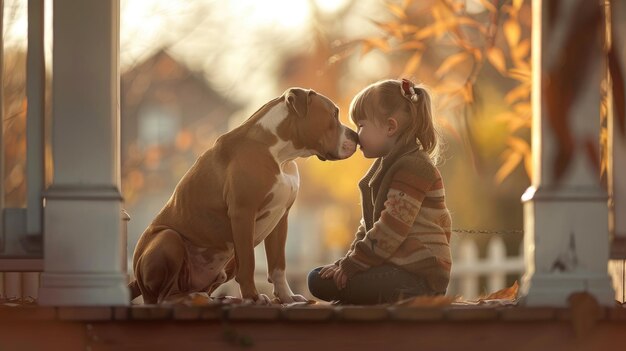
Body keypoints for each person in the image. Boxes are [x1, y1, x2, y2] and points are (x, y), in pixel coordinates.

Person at [307, 78, 451, 305]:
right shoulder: (387, 166)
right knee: (318, 278)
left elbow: (391, 228)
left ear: (390, 127)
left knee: (321, 282)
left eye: (361, 126)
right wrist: (347, 262)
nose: (356, 134)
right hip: (394, 267)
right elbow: (368, 227)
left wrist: (354, 264)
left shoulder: (414, 166)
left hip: (417, 278)